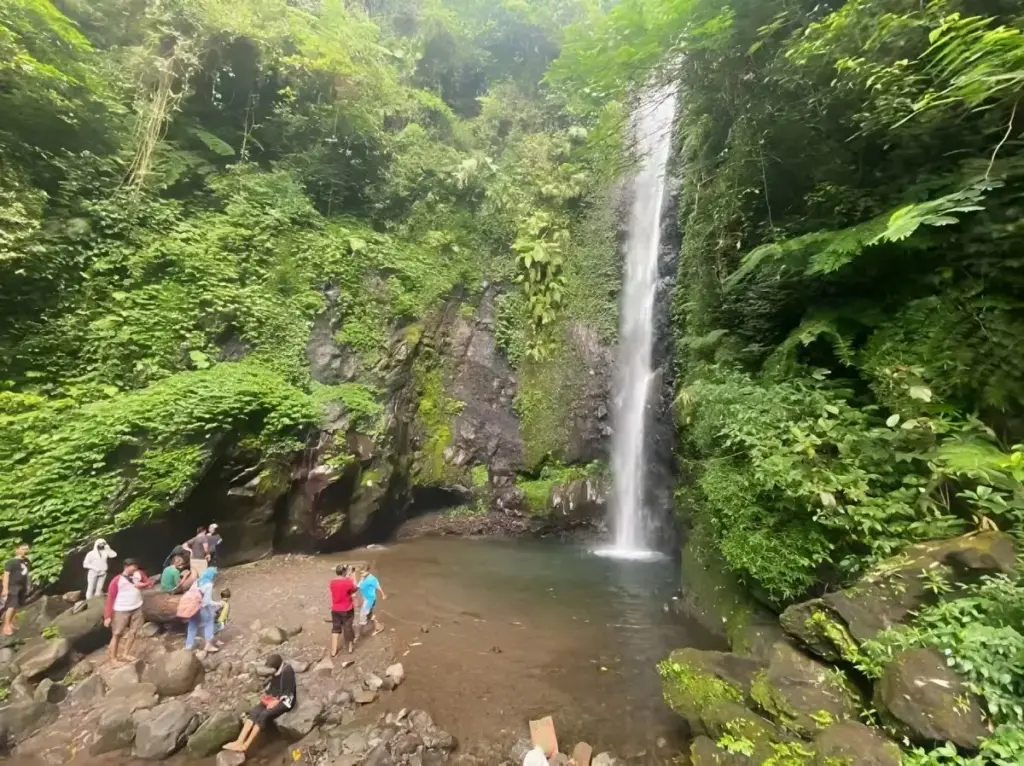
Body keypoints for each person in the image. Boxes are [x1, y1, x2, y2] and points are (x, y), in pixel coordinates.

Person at [222, 654, 295, 753]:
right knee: (255, 711)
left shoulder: (287, 670)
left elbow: (288, 691)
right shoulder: (275, 672)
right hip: (274, 698)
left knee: (264, 714)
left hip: (285, 701)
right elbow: (273, 687)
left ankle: (246, 745)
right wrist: (266, 696)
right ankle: (239, 741)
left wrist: (276, 702)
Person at [104, 558, 152, 663]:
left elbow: (149, 583)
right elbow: (110, 598)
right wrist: (107, 616)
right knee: (117, 633)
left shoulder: (139, 574)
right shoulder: (117, 580)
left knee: (133, 631)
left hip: (137, 606)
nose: (135, 568)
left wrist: (142, 585)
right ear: (126, 567)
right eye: (133, 567)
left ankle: (126, 653)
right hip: (121, 609)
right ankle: (113, 658)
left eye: (136, 566)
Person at [184, 567, 221, 652]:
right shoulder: (208, 584)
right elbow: (206, 602)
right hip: (200, 607)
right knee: (209, 623)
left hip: (191, 606)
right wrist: (217, 604)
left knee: (192, 625)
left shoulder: (197, 582)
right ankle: (208, 645)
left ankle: (188, 646)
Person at [1, 544, 31, 637]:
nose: (25, 551)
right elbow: (6, 576)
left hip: (22, 586)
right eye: (22, 549)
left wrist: (27, 585)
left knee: (16, 605)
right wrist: (5, 589)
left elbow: (26, 574)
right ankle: (6, 626)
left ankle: (10, 623)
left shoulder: (26, 561)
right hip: (13, 586)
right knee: (11, 605)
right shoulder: (11, 562)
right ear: (17, 550)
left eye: (26, 549)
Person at [329, 564, 357, 657]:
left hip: (335, 609)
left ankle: (333, 651)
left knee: (335, 629)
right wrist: (353, 576)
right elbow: (354, 589)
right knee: (347, 627)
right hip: (346, 608)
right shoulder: (348, 582)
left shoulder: (332, 582)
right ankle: (350, 647)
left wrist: (348, 577)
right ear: (344, 572)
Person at [356, 562, 386, 638]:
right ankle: (378, 627)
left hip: (370, 600)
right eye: (360, 572)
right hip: (365, 598)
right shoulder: (363, 577)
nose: (361, 574)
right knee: (369, 614)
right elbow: (358, 586)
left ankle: (359, 634)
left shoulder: (372, 579)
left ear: (367, 571)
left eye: (362, 572)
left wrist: (383, 595)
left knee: (363, 616)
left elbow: (378, 587)